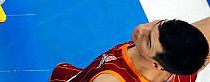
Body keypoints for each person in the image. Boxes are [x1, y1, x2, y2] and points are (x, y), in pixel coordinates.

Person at [50, 18, 210, 81]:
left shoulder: (109, 79)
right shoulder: (191, 54)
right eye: (157, 24)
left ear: (156, 65)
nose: (141, 29)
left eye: (148, 41)